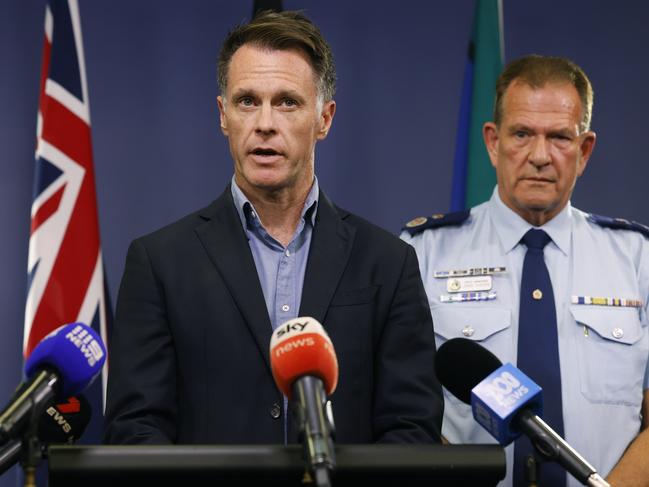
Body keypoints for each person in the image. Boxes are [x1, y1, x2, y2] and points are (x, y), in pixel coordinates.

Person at [104, 10, 443, 446]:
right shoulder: (160, 263)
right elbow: (135, 429)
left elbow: (412, 429)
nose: (265, 123)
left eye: (287, 101)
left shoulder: (388, 263)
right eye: (247, 101)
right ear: (223, 115)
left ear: (325, 119)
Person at [402, 55, 649, 487]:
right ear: (493, 142)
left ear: (585, 149)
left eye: (559, 137)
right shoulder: (422, 253)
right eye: (521, 134)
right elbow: (400, 410)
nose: (539, 156)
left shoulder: (638, 259)